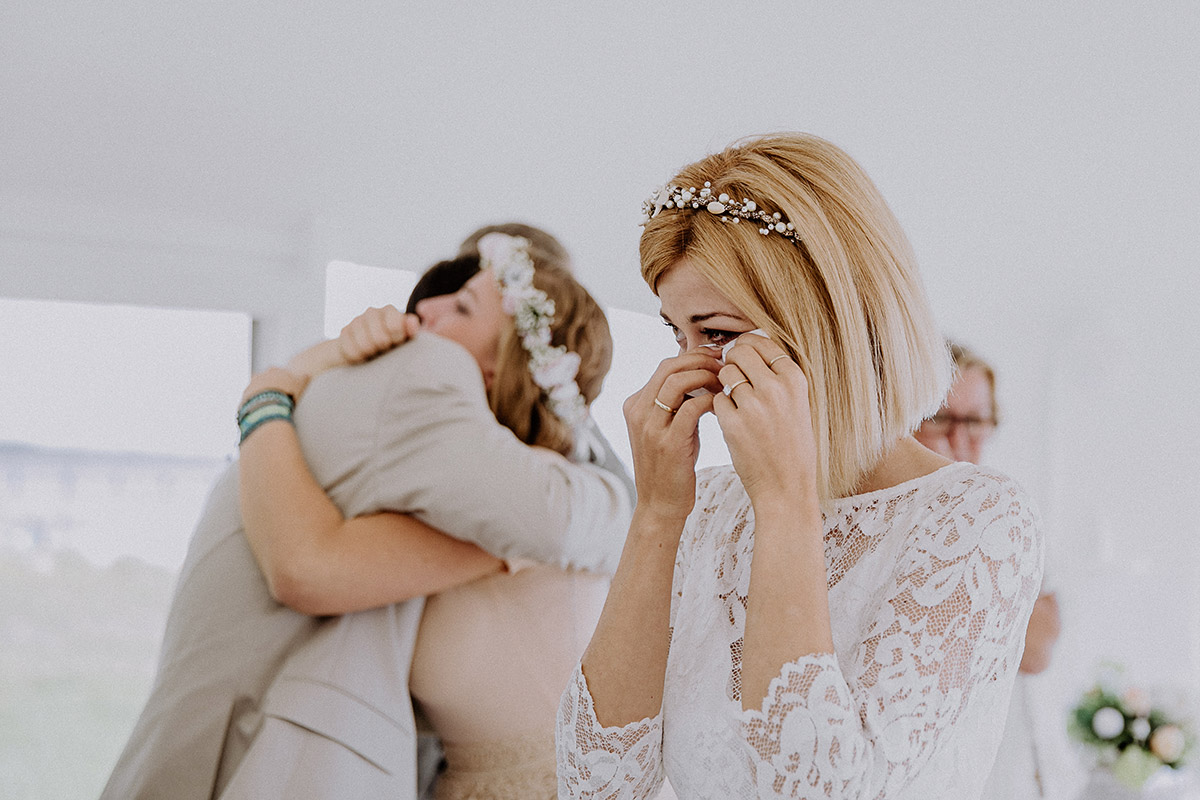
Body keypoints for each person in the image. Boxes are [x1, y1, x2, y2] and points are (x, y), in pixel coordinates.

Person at [556, 132, 1044, 799]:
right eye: (678, 335)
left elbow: (814, 791)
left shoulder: (977, 519)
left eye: (719, 333)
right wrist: (658, 514)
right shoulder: (707, 512)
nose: (692, 371)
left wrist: (785, 500)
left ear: (827, 323)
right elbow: (595, 784)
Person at [101, 231, 632, 800]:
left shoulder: (463, 449)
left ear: (500, 369)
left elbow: (570, 516)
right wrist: (269, 391)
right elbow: (307, 567)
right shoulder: (427, 378)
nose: (423, 310)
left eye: (462, 306)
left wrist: (277, 385)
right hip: (241, 735)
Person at [914, 341, 1065, 800]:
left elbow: (1037, 648)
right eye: (942, 418)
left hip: (1005, 758)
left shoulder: (1014, 518)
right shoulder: (886, 518)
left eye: (977, 421)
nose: (960, 439)